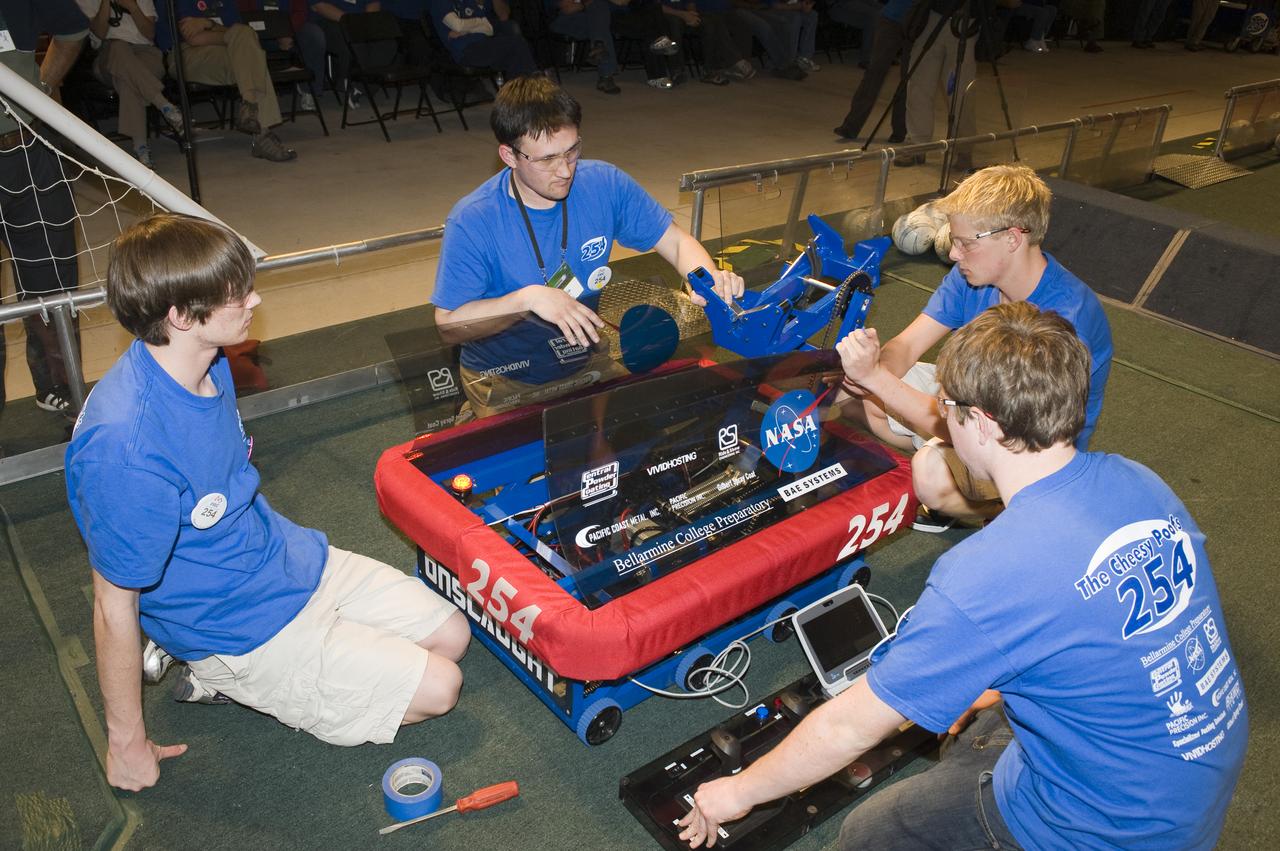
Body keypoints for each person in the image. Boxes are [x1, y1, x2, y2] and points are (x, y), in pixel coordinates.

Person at [678, 301, 1249, 851]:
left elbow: (850, 728)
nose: (942, 417)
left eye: (947, 405)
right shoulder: (1139, 480)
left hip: (1105, 828)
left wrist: (736, 792)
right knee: (982, 718)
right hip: (1194, 780)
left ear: (981, 421)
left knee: (871, 833)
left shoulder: (988, 572)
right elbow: (1106, 625)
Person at [65, 214, 469, 791]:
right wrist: (126, 742)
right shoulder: (124, 450)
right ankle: (218, 672)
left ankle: (269, 669)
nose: (254, 299)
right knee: (441, 687)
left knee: (452, 633)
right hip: (230, 625)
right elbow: (112, 604)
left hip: (284, 560)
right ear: (180, 316)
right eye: (236, 294)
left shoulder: (209, 360)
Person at [431, 75, 743, 418]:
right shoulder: (473, 220)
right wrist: (525, 300)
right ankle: (468, 415)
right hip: (504, 379)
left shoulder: (603, 183)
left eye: (572, 151)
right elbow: (447, 323)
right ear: (509, 156)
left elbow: (675, 240)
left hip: (586, 357)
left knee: (638, 431)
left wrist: (706, 279)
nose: (565, 171)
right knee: (528, 450)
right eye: (547, 159)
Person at [835, 164, 1112, 527]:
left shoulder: (1064, 319)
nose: (954, 254)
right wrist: (863, 377)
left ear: (1012, 238)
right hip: (976, 399)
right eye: (954, 240)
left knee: (930, 475)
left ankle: (1004, 514)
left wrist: (876, 379)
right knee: (873, 396)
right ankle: (960, 474)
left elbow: (977, 426)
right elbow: (907, 345)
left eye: (966, 243)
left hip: (1027, 442)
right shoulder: (971, 277)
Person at [0, 0, 87, 418]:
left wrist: (40, 91)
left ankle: (60, 386)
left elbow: (72, 29)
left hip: (27, 147)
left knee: (53, 280)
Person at [155, 0, 298, 161]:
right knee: (249, 45)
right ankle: (260, 129)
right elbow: (194, 38)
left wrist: (208, 23)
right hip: (185, 55)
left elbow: (237, 30)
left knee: (251, 52)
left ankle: (253, 117)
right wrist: (230, 34)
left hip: (225, 50)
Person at [76, 0, 185, 168]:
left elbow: (149, 34)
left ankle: (141, 148)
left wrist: (133, 6)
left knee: (127, 79)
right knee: (118, 48)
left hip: (145, 52)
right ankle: (164, 105)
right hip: (108, 54)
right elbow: (100, 33)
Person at [832, 0, 927, 143]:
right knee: (874, 72)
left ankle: (900, 130)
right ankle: (851, 126)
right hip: (892, 20)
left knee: (908, 78)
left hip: (918, 26)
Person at [426, 0, 538, 77]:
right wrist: (478, 24)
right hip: (466, 51)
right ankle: (533, 90)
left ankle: (523, 93)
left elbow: (488, 27)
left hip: (484, 45)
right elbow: (457, 25)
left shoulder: (468, 1)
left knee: (517, 54)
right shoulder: (439, 2)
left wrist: (467, 29)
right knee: (517, 45)